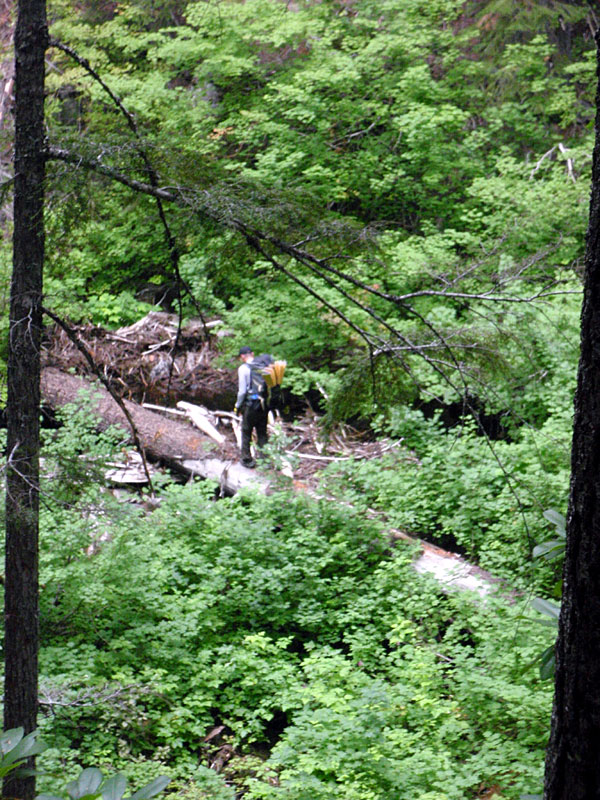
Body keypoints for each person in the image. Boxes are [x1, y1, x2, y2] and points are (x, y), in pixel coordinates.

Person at [234, 346, 268, 468]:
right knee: (262, 432)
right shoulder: (263, 366)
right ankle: (265, 460)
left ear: (242, 356)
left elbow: (242, 391)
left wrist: (237, 406)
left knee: (246, 431)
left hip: (251, 404)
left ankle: (247, 459)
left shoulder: (243, 369)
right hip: (264, 404)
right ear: (252, 354)